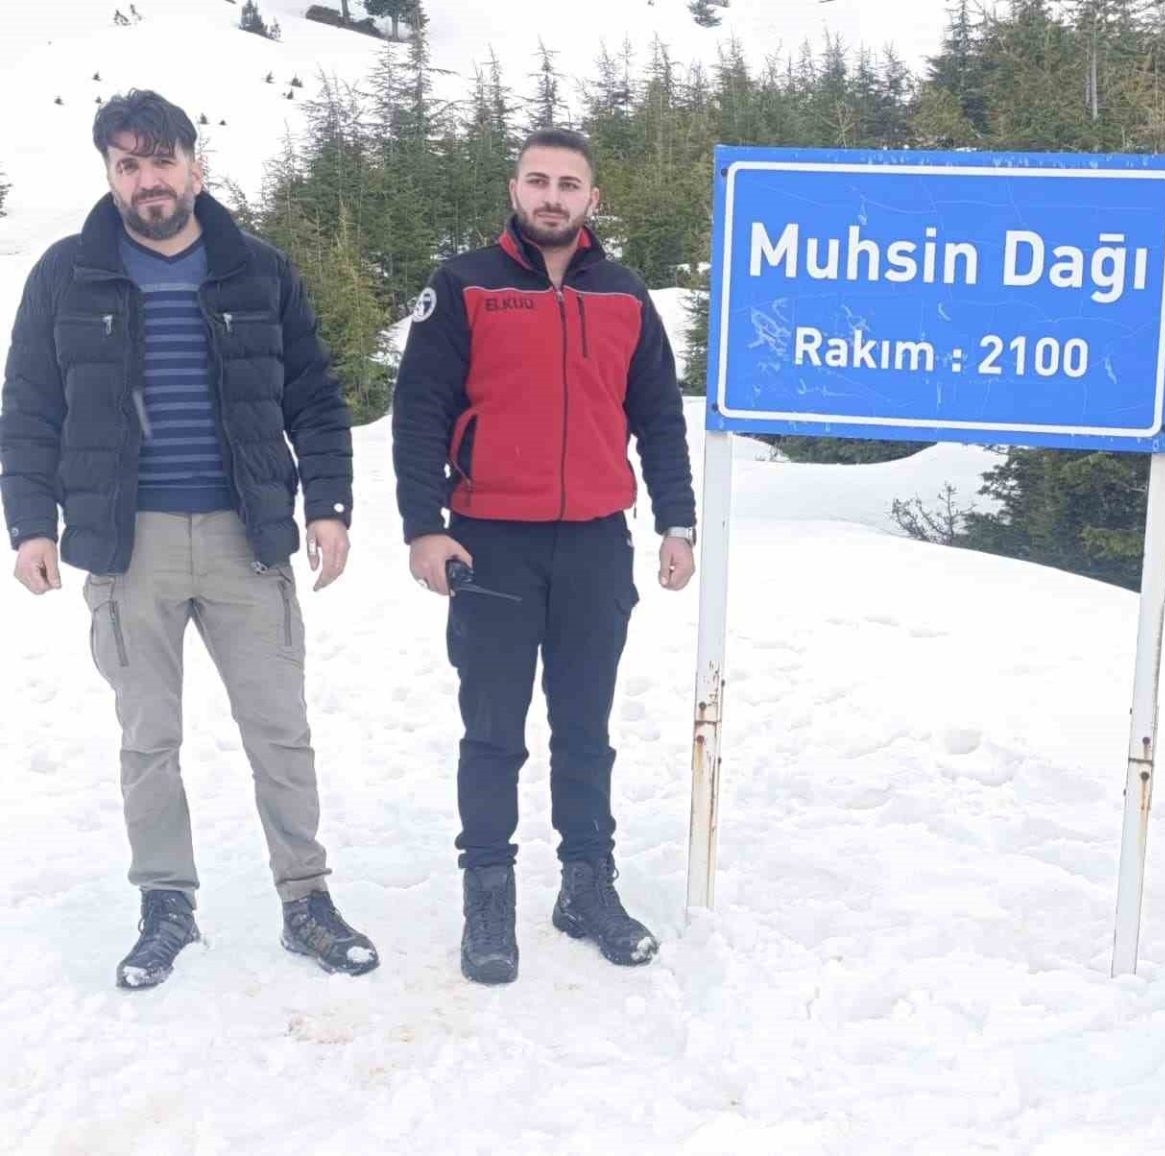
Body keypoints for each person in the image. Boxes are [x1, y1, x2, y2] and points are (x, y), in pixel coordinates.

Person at [1, 90, 378, 988]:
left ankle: (306, 899)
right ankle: (166, 902)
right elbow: (29, 407)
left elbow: (314, 395)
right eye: (128, 164)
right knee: (148, 739)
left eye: (161, 159)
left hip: (248, 537)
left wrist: (328, 504)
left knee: (279, 731)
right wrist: (30, 523)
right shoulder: (66, 273)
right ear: (110, 177)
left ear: (195, 167)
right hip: (127, 547)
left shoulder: (257, 268)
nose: (148, 179)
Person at [393, 127, 696, 985]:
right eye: (538, 181)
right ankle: (488, 896)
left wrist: (677, 521)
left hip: (596, 542)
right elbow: (419, 410)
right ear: (515, 189)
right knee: (493, 732)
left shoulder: (625, 295)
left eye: (569, 183)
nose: (552, 196)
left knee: (585, 730)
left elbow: (658, 417)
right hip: (490, 542)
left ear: (593, 198)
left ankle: (587, 887)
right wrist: (423, 526)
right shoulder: (465, 286)